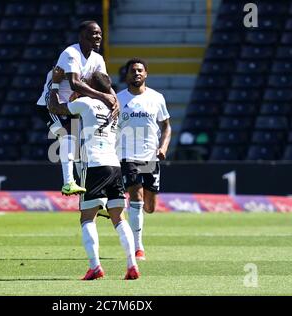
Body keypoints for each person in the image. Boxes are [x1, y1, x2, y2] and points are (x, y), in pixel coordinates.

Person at [48, 67, 140, 280]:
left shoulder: (87, 103)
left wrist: (54, 83)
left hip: (94, 165)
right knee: (118, 217)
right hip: (114, 165)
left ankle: (95, 266)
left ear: (92, 86)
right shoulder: (115, 107)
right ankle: (131, 264)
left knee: (87, 218)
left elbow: (55, 107)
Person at [36, 20, 119, 196]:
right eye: (94, 33)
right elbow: (74, 84)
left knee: (81, 146)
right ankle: (68, 183)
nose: (98, 36)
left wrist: (114, 97)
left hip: (73, 106)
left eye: (100, 33)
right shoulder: (71, 53)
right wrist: (104, 96)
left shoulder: (97, 58)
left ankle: (90, 191)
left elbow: (104, 82)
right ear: (82, 36)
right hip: (52, 104)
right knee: (67, 134)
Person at [116, 58, 172, 261]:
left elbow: (166, 126)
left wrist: (163, 147)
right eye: (132, 71)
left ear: (146, 74)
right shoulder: (118, 99)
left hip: (150, 156)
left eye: (140, 70)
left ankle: (129, 216)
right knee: (136, 197)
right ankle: (138, 247)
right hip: (126, 155)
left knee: (150, 207)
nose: (136, 74)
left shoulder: (157, 98)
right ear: (127, 75)